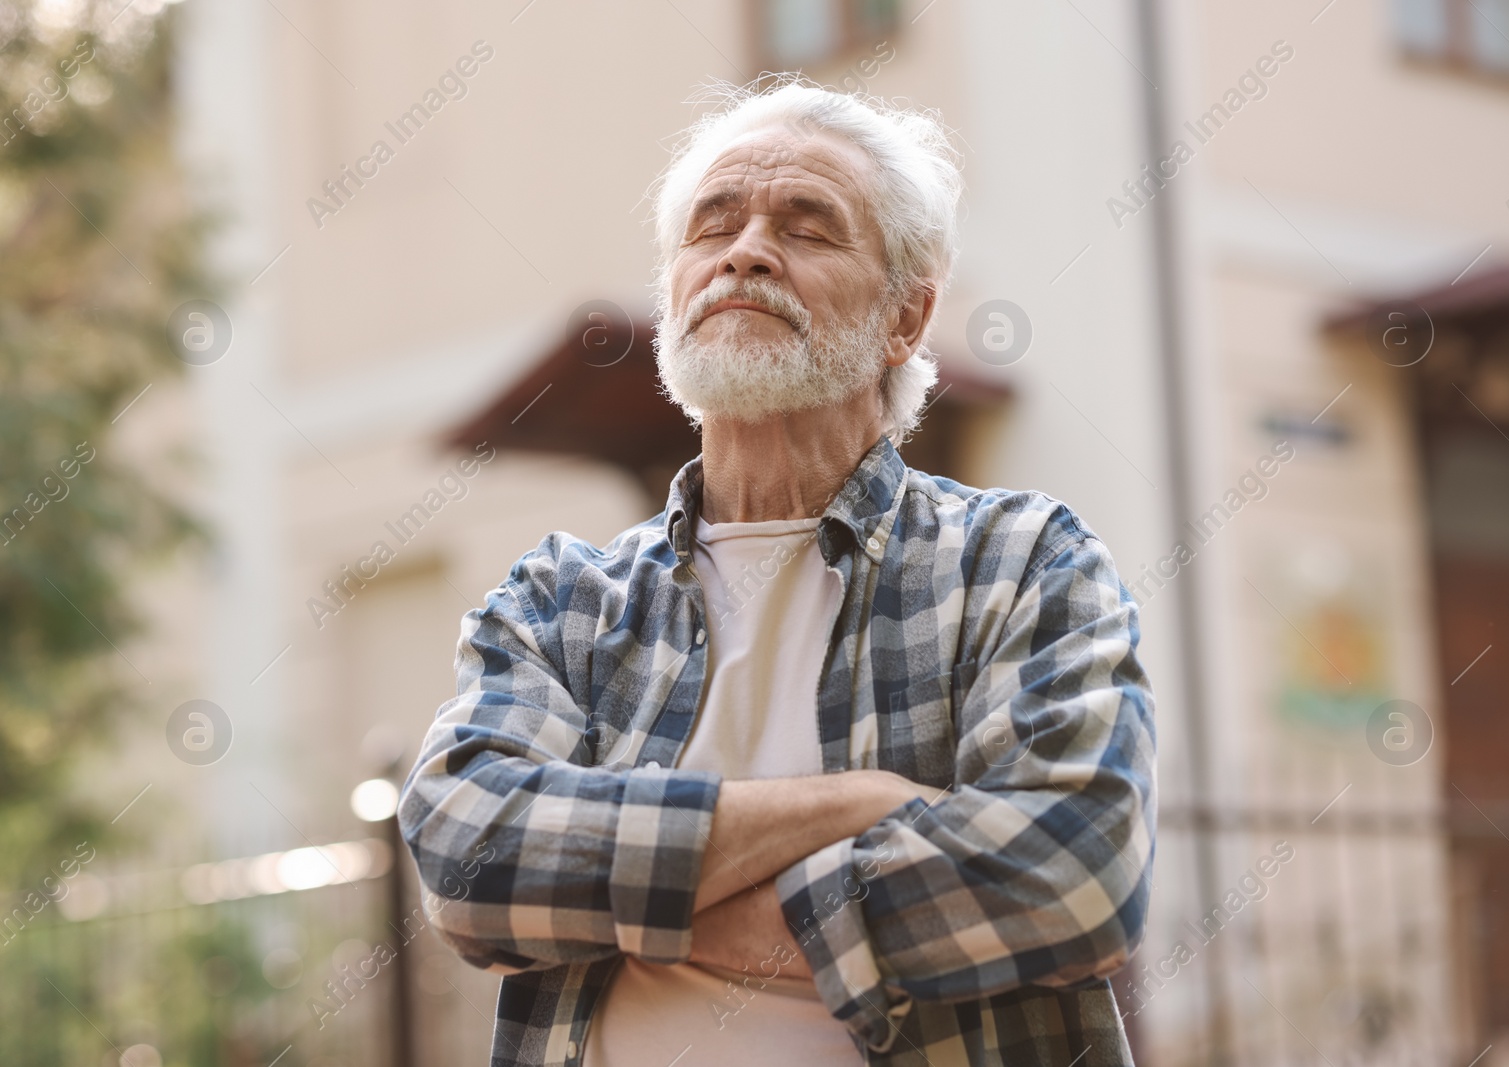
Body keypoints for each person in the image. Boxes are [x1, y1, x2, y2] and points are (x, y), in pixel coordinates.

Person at [398, 77, 1156, 1067]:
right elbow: (470, 856)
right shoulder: (559, 604)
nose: (745, 250)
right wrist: (853, 804)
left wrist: (633, 903)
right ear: (674, 290)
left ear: (905, 317)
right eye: (712, 226)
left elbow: (1074, 870)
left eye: (806, 228)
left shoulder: (1020, 563)